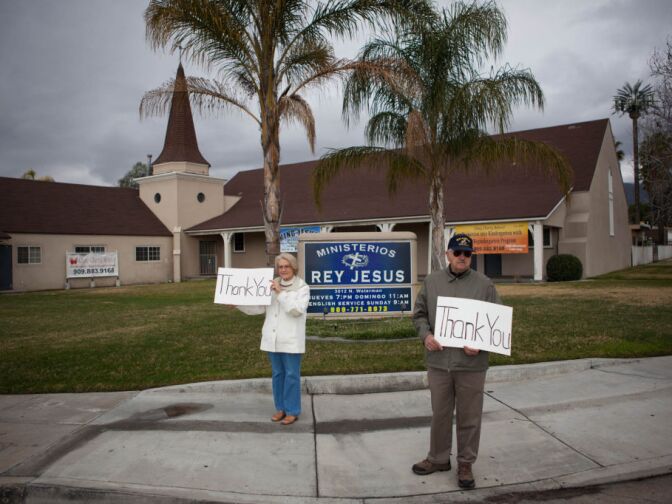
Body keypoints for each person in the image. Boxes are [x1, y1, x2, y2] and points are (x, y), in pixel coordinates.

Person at [411, 233, 501, 489]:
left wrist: (482, 343)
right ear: (447, 254)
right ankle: (438, 458)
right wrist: (426, 335)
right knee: (440, 413)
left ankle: (465, 463)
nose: (462, 257)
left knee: (469, 416)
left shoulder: (485, 285)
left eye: (468, 254)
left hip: (471, 365)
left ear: (472, 257)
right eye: (458, 252)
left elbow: (497, 323)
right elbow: (418, 315)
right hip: (439, 362)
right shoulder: (432, 282)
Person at [237, 253, 310, 426]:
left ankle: (292, 411)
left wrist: (280, 293)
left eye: (287, 266)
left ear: (294, 268)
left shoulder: (302, 288)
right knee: (278, 375)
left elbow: (296, 310)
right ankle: (280, 408)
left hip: (291, 340)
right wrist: (238, 304)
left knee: (291, 375)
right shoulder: (270, 285)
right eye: (280, 267)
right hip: (273, 338)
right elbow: (258, 308)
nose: (283, 270)